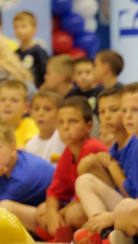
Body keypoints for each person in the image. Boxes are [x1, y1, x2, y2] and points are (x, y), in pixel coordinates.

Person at [83, 83, 138, 244]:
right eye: (124, 110)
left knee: (127, 206)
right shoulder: (136, 146)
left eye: (135, 110)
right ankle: (102, 232)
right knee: (85, 181)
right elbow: (129, 190)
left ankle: (112, 234)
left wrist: (112, 216)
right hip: (132, 212)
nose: (127, 116)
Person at [35, 97, 106, 242]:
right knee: (43, 208)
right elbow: (54, 191)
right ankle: (64, 234)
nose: (65, 127)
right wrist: (51, 213)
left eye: (72, 121)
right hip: (77, 206)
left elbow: (84, 196)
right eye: (60, 122)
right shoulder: (67, 152)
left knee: (73, 214)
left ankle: (84, 236)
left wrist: (59, 214)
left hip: (102, 206)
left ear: (88, 127)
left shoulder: (92, 147)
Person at [0, 121, 54, 232]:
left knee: (4, 209)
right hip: (34, 208)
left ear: (12, 149)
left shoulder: (23, 176)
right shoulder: (5, 164)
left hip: (55, 215)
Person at [74, 86, 132, 241]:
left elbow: (131, 195)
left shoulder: (136, 144)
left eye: (114, 110)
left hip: (137, 210)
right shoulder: (114, 148)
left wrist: (112, 166)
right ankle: (103, 231)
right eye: (101, 111)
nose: (106, 116)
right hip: (122, 208)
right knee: (84, 178)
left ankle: (107, 230)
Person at [0, 79, 40, 148]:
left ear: (25, 107)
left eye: (14, 100)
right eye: (3, 100)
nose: (7, 104)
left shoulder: (31, 126)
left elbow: (34, 148)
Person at [24, 90, 65, 166]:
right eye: (36, 109)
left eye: (47, 109)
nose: (41, 114)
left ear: (60, 113)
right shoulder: (30, 145)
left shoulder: (64, 138)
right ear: (30, 113)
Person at [13, 11, 49, 88]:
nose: (19, 30)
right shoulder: (15, 54)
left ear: (34, 29)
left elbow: (47, 78)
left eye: (23, 26)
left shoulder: (38, 52)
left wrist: (38, 93)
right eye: (16, 27)